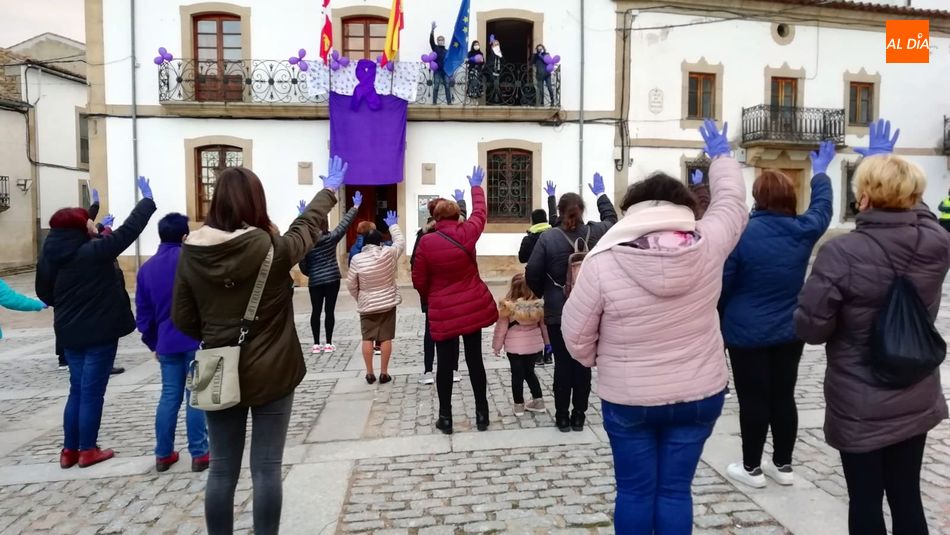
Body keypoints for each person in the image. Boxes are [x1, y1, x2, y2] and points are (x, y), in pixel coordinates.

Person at [561, 120, 747, 533]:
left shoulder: (603, 261)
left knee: (634, 491)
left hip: (630, 397)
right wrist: (721, 157)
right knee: (676, 491)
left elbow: (575, 337)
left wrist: (605, 359)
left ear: (632, 210)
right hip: (698, 392)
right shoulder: (709, 244)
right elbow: (733, 204)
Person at [172, 158, 343, 535]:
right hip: (273, 369)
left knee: (221, 470)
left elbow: (182, 318)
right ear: (256, 202)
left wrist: (217, 332)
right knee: (266, 468)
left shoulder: (192, 252)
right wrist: (329, 191)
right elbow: (304, 230)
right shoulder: (270, 248)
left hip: (217, 368)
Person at [795, 119, 948, 535]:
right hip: (915, 388)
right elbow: (923, 215)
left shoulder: (841, 253)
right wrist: (893, 171)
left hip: (860, 398)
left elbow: (811, 330)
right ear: (914, 196)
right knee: (907, 495)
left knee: (865, 499)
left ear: (863, 197)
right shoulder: (936, 242)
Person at [719, 141, 835, 488]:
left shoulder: (742, 234)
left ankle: (751, 467)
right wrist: (821, 174)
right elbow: (823, 208)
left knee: (753, 399)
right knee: (784, 396)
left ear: (758, 198)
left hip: (746, 331)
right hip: (789, 329)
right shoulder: (804, 230)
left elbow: (723, 285)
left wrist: (719, 318)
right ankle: (783, 465)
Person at [36, 176, 157, 469]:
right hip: (99, 333)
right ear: (78, 229)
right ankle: (88, 450)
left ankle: (69, 451)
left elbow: (45, 294)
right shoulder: (93, 252)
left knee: (77, 390)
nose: (92, 225)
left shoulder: (50, 256)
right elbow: (128, 231)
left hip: (69, 333)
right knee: (92, 393)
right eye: (87, 223)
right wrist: (147, 201)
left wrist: (68, 304)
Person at [525, 172, 618, 432]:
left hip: (559, 309)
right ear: (582, 210)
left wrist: (545, 292)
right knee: (583, 363)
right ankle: (579, 415)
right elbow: (612, 221)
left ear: (560, 211)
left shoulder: (548, 237)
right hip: (589, 309)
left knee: (563, 364)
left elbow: (532, 272)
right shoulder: (596, 232)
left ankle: (562, 416)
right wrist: (601, 195)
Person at [412, 166, 498, 435]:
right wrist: (476, 187)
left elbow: (418, 279)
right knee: (475, 361)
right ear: (457, 215)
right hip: (471, 306)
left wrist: (430, 297)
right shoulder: (467, 233)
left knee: (445, 365)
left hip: (443, 310)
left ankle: (446, 417)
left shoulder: (426, 242)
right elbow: (480, 213)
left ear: (436, 217)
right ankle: (482, 414)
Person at [135, 213, 208, 473]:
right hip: (195, 340)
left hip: (166, 342)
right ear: (184, 236)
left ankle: (163, 453)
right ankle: (199, 452)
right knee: (196, 396)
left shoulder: (146, 269)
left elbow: (143, 314)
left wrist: (153, 342)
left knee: (168, 397)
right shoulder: (193, 262)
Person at [411, 192, 468, 385]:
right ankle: (453, 368)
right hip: (453, 291)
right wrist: (462, 201)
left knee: (430, 330)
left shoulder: (423, 234)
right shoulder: (457, 230)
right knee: (454, 330)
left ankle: (428, 370)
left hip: (432, 293)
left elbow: (415, 266)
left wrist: (425, 292)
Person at [346, 212, 406, 384]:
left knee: (367, 338)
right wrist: (393, 225)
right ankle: (384, 373)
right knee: (386, 337)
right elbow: (400, 242)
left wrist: (360, 297)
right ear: (380, 242)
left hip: (367, 304)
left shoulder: (357, 259)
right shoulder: (388, 253)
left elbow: (351, 283)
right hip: (387, 302)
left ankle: (369, 373)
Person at [299, 191, 360, 355]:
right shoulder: (331, 237)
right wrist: (355, 207)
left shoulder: (308, 241)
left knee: (315, 311)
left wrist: (311, 273)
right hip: (332, 278)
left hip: (315, 280)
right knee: (329, 311)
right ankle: (328, 343)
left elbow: (302, 262)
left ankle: (315, 344)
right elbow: (344, 224)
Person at [492, 273, 548, 416]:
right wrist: (548, 344)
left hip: (514, 348)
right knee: (530, 372)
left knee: (517, 375)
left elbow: (501, 330)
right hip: (532, 347)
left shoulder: (507, 308)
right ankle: (539, 401)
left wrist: (497, 346)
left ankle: (518, 405)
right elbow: (544, 327)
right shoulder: (538, 307)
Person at [518, 181, 559, 264]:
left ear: (532, 222)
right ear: (546, 220)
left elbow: (522, 259)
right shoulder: (554, 234)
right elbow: (553, 216)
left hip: (535, 271)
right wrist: (551, 196)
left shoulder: (528, 240)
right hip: (552, 271)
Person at [430, 21, 452, 105]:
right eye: (439, 40)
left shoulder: (447, 51)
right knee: (436, 86)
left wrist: (450, 72)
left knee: (447, 86)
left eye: (442, 40)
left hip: (445, 71)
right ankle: (434, 102)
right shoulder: (435, 48)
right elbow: (431, 41)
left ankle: (449, 102)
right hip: (437, 71)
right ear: (437, 41)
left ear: (444, 41)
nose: (441, 41)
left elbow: (449, 61)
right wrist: (432, 30)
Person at [486, 37, 503, 104]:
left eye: (497, 44)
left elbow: (505, 64)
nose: (496, 46)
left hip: (500, 74)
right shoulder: (490, 55)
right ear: (492, 46)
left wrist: (500, 55)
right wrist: (494, 53)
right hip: (492, 74)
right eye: (495, 45)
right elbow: (488, 65)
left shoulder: (501, 54)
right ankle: (492, 100)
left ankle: (499, 100)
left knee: (499, 87)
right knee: (492, 87)